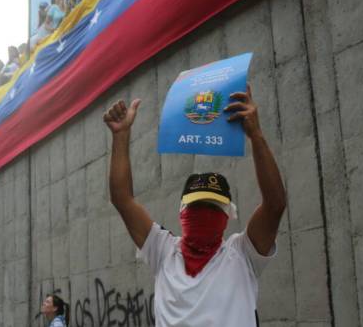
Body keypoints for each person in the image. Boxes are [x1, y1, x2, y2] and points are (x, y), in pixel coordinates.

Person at [103, 86, 286, 327]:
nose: (203, 214)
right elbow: (122, 199)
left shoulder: (242, 255)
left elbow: (274, 205)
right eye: (196, 206)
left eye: (213, 207)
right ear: (182, 212)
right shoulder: (163, 250)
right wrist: (121, 135)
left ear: (227, 215)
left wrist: (256, 136)